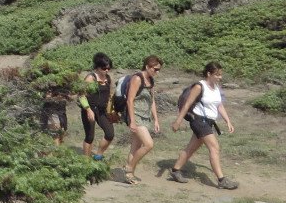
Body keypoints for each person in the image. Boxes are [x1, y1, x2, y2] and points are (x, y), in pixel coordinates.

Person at [170, 61, 238, 189]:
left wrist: (228, 121)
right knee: (214, 147)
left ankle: (175, 170)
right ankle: (221, 180)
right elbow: (187, 104)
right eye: (217, 75)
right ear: (209, 74)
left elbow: (219, 105)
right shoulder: (200, 86)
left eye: (220, 75)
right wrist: (178, 121)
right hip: (199, 121)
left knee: (191, 148)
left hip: (208, 122)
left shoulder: (216, 88)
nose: (220, 77)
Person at [121, 56, 163, 184]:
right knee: (149, 144)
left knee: (135, 146)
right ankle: (129, 167)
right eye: (155, 69)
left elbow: (152, 100)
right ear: (147, 66)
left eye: (159, 70)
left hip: (145, 116)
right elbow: (130, 99)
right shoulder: (137, 78)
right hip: (136, 115)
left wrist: (156, 119)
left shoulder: (151, 80)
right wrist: (132, 121)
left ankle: (129, 176)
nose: (157, 72)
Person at [79, 52, 116, 160]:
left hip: (102, 110)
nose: (107, 70)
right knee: (90, 137)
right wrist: (88, 110)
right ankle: (86, 161)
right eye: (104, 68)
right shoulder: (91, 78)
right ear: (98, 67)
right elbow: (81, 95)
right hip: (90, 109)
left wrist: (113, 110)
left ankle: (98, 155)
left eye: (109, 68)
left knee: (110, 133)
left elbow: (110, 95)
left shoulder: (108, 78)